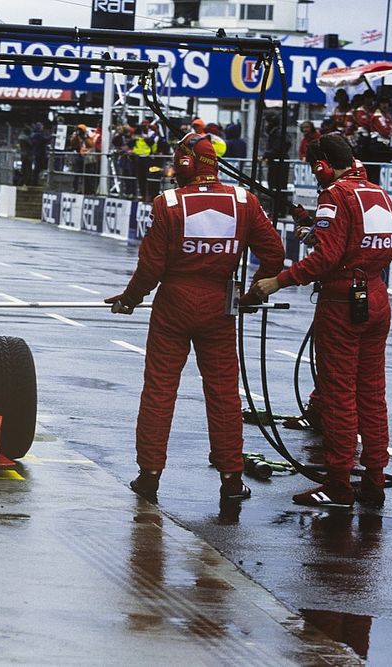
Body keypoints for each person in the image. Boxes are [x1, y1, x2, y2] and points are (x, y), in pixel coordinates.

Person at [105, 132, 285, 504]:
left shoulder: (168, 202)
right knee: (223, 394)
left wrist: (130, 299)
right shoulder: (244, 201)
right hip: (220, 303)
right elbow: (274, 254)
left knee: (159, 390)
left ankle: (150, 475)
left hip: (174, 303)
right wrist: (250, 294)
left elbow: (151, 266)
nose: (173, 168)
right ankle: (232, 479)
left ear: (187, 163)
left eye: (177, 161)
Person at [251, 134, 392, 509]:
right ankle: (374, 479)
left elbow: (326, 259)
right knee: (372, 394)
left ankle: (337, 486)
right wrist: (314, 226)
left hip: (342, 303)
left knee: (339, 396)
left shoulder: (334, 195)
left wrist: (277, 281)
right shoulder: (376, 193)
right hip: (377, 298)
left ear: (323, 165)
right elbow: (363, 241)